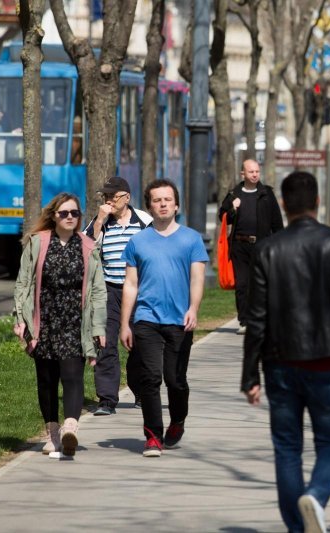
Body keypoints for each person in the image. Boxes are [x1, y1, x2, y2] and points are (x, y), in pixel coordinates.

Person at [241, 171, 330, 533]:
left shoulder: (267, 249)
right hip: (329, 360)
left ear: (283, 205)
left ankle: (298, 527)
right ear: (319, 202)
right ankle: (315, 497)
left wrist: (249, 375)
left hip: (280, 362)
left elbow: (256, 317)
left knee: (288, 450)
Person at [119, 179, 209, 457]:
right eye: (157, 200)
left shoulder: (191, 239)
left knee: (175, 379)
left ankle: (178, 421)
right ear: (149, 206)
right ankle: (153, 436)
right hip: (146, 320)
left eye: (167, 199)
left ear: (176, 204)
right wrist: (125, 323)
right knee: (150, 378)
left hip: (180, 321)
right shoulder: (138, 241)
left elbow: (197, 278)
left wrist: (193, 308)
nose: (162, 204)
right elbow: (131, 284)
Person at [13, 193, 106, 458]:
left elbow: (98, 291)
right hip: (45, 321)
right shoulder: (38, 243)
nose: (69, 218)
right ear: (54, 215)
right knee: (47, 380)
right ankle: (52, 434)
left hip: (76, 323)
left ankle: (70, 429)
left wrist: (99, 328)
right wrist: (20, 319)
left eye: (74, 213)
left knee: (72, 375)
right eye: (64, 213)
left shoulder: (88, 247)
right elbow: (23, 284)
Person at [84, 176, 152, 415]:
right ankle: (106, 400)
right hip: (109, 290)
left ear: (127, 197)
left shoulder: (144, 221)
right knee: (106, 343)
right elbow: (85, 249)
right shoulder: (100, 221)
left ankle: (142, 392)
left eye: (114, 196)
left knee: (141, 344)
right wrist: (99, 221)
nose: (109, 200)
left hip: (140, 290)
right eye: (106, 197)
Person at [218, 159, 284, 335]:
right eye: (251, 172)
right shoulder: (234, 194)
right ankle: (245, 321)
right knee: (242, 285)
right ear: (243, 174)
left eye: (257, 171)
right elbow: (222, 216)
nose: (255, 174)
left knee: (261, 284)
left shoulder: (266, 193)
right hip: (239, 246)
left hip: (262, 245)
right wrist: (232, 208)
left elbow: (277, 222)